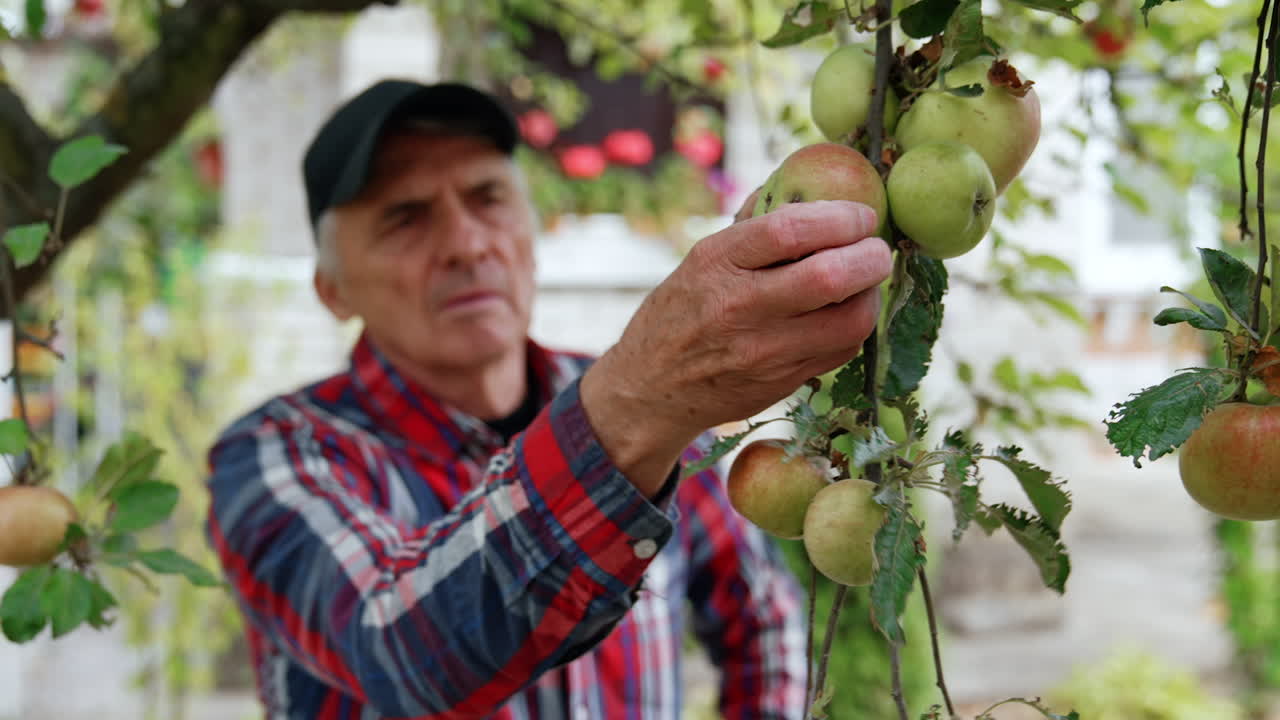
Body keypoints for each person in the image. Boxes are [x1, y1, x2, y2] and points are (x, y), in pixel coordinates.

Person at [203, 78, 891, 719]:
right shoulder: (273, 457)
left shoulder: (635, 400)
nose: (467, 244)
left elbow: (762, 612)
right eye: (405, 218)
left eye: (488, 197)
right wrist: (638, 402)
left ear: (533, 234)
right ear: (333, 289)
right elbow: (399, 654)